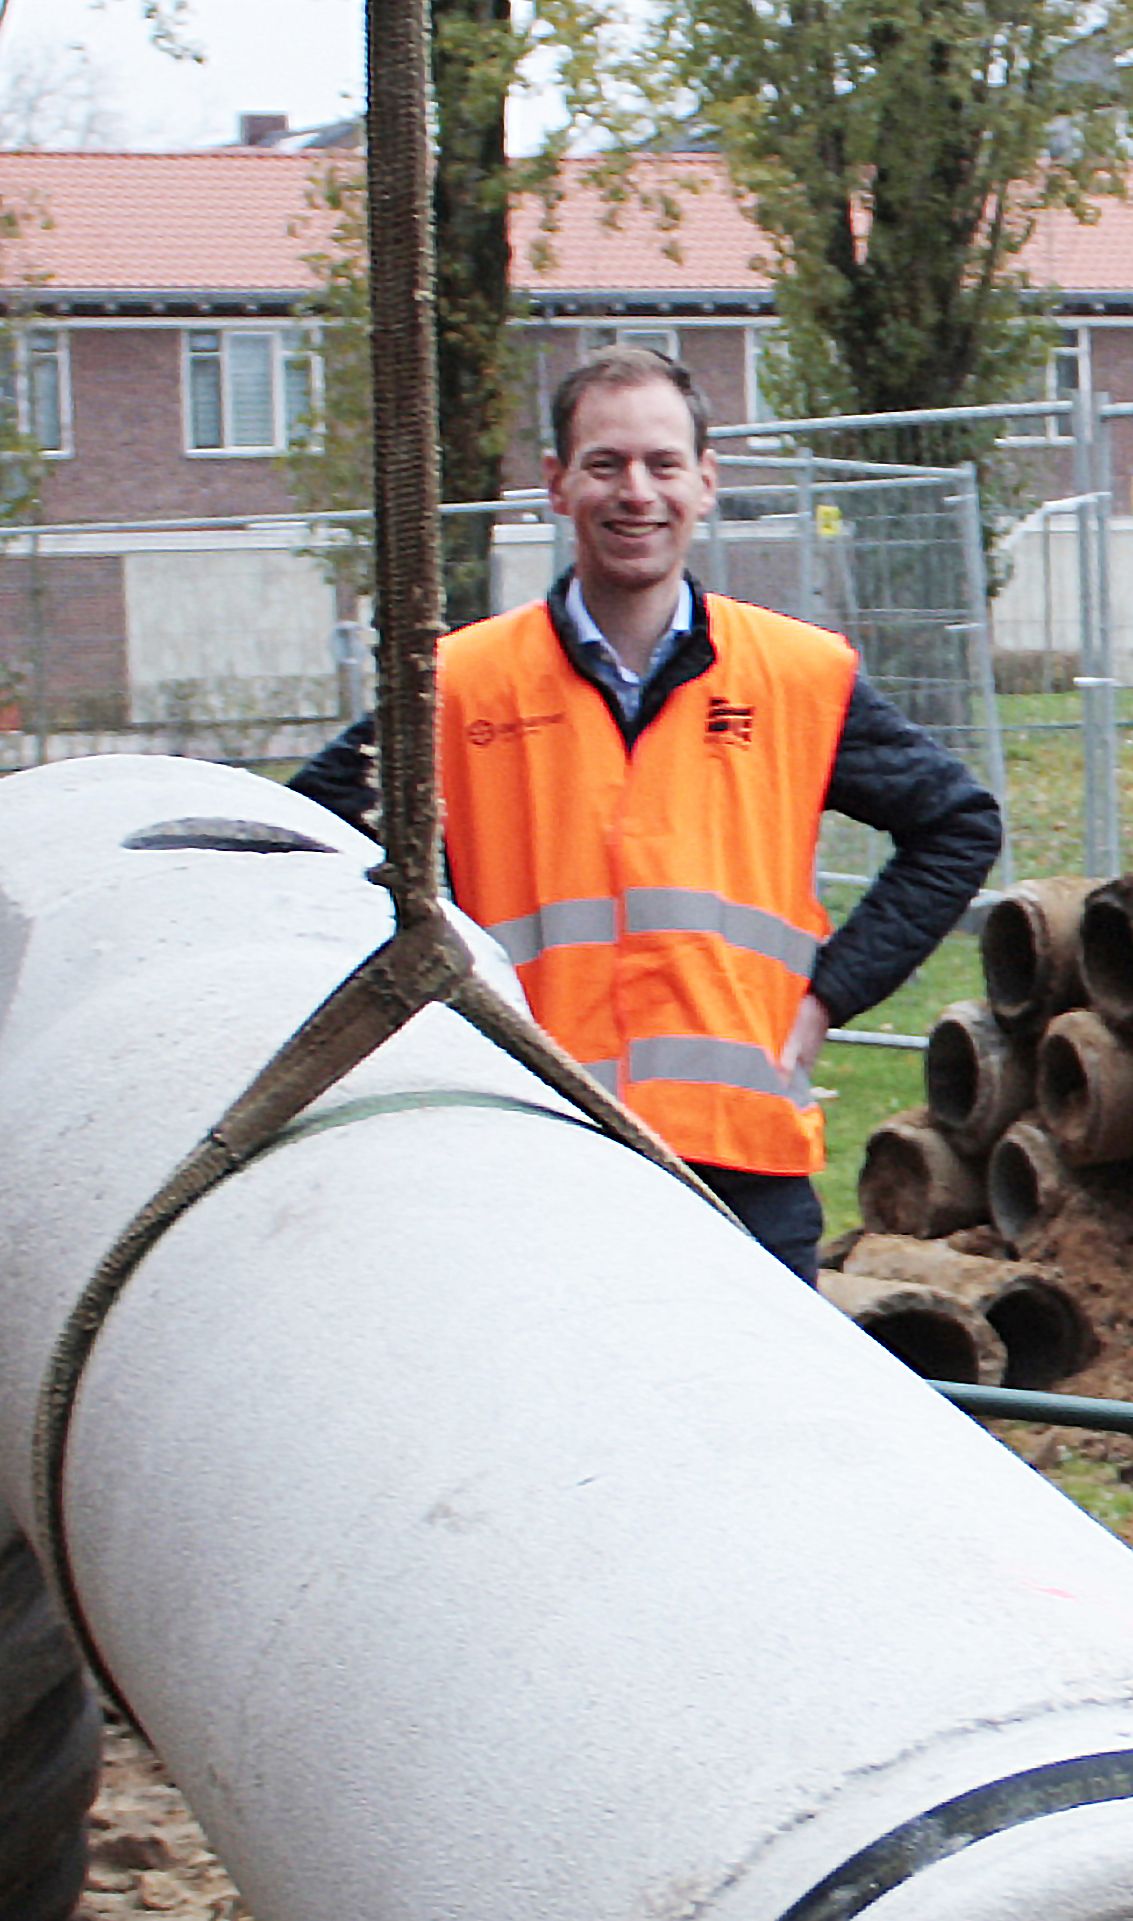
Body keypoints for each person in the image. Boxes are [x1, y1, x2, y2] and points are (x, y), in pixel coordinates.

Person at [411, 345, 999, 1281]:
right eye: (605, 465)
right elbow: (316, 848)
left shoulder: (797, 676)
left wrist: (826, 997)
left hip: (742, 1169)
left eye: (662, 464)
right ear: (558, 486)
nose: (635, 491)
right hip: (533, 1156)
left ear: (706, 483)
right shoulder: (459, 686)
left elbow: (959, 825)